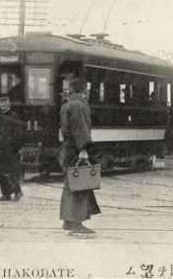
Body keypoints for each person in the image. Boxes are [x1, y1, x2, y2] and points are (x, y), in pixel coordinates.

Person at [59, 78, 101, 235]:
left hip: (67, 148)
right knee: (80, 185)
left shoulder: (67, 104)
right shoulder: (79, 105)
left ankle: (68, 221)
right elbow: (80, 129)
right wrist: (83, 149)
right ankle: (77, 223)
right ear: (85, 90)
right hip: (76, 149)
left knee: (71, 184)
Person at [0, 95, 26, 201]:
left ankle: (17, 192)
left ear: (9, 104)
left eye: (5, 102)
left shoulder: (14, 116)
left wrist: (13, 146)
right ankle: (6, 194)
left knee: (12, 171)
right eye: (1, 102)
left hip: (10, 149)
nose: (3, 104)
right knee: (0, 171)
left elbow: (19, 134)